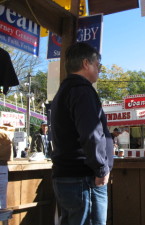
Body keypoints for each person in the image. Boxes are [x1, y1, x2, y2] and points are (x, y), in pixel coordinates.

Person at [50, 42, 114, 225]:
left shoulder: (64, 91)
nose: (99, 71)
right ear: (86, 63)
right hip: (84, 179)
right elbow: (91, 134)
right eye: (98, 66)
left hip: (68, 177)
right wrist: (101, 168)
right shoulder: (82, 90)